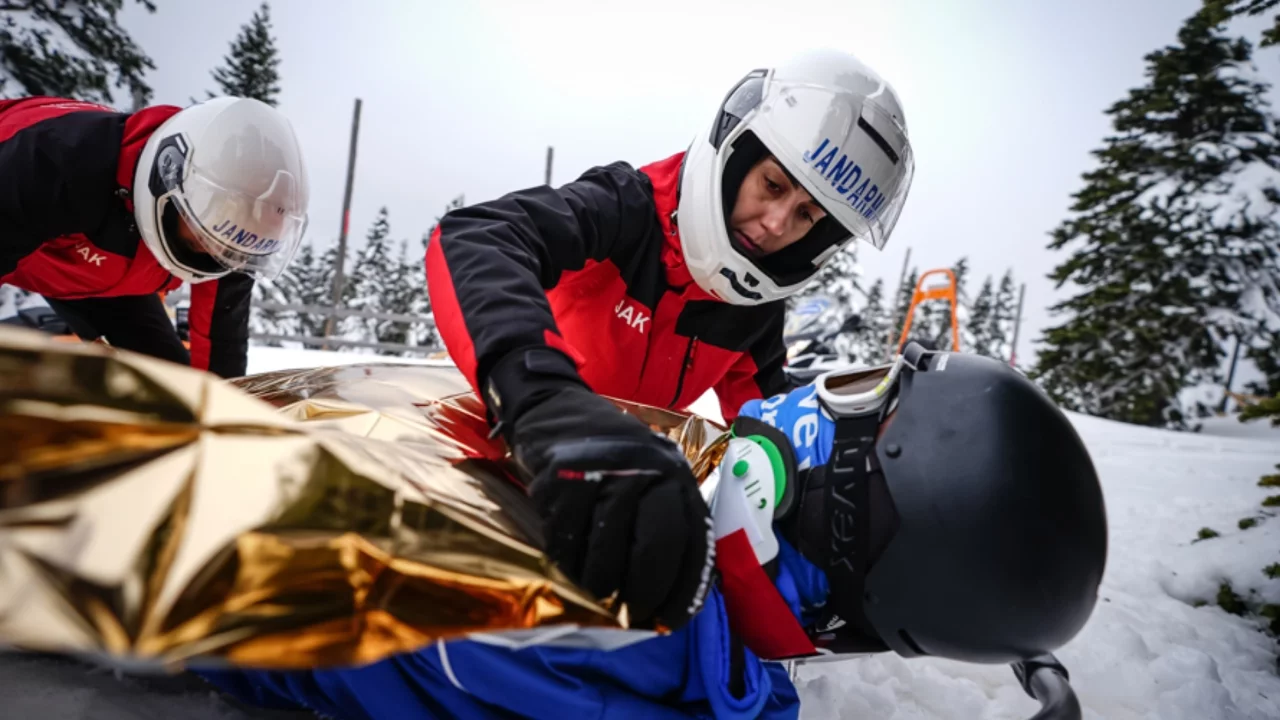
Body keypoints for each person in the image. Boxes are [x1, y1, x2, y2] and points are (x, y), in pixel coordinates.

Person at [198, 345, 1109, 719]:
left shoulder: (618, 603)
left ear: (847, 502)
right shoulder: (700, 578)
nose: (813, 385)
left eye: (858, 394)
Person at [424, 47, 916, 634]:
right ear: (736, 152)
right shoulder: (629, 208)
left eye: (807, 215)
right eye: (773, 184)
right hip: (493, 442)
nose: (777, 223)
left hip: (613, 486)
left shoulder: (752, 307)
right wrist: (543, 397)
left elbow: (771, 427)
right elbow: (479, 239)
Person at [0, 94, 311, 379]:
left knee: (170, 387)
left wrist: (223, 423)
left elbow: (221, 345)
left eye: (230, 250)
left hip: (104, 283)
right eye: (206, 236)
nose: (216, 252)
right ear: (168, 178)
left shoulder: (233, 230)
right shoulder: (56, 161)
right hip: (25, 223)